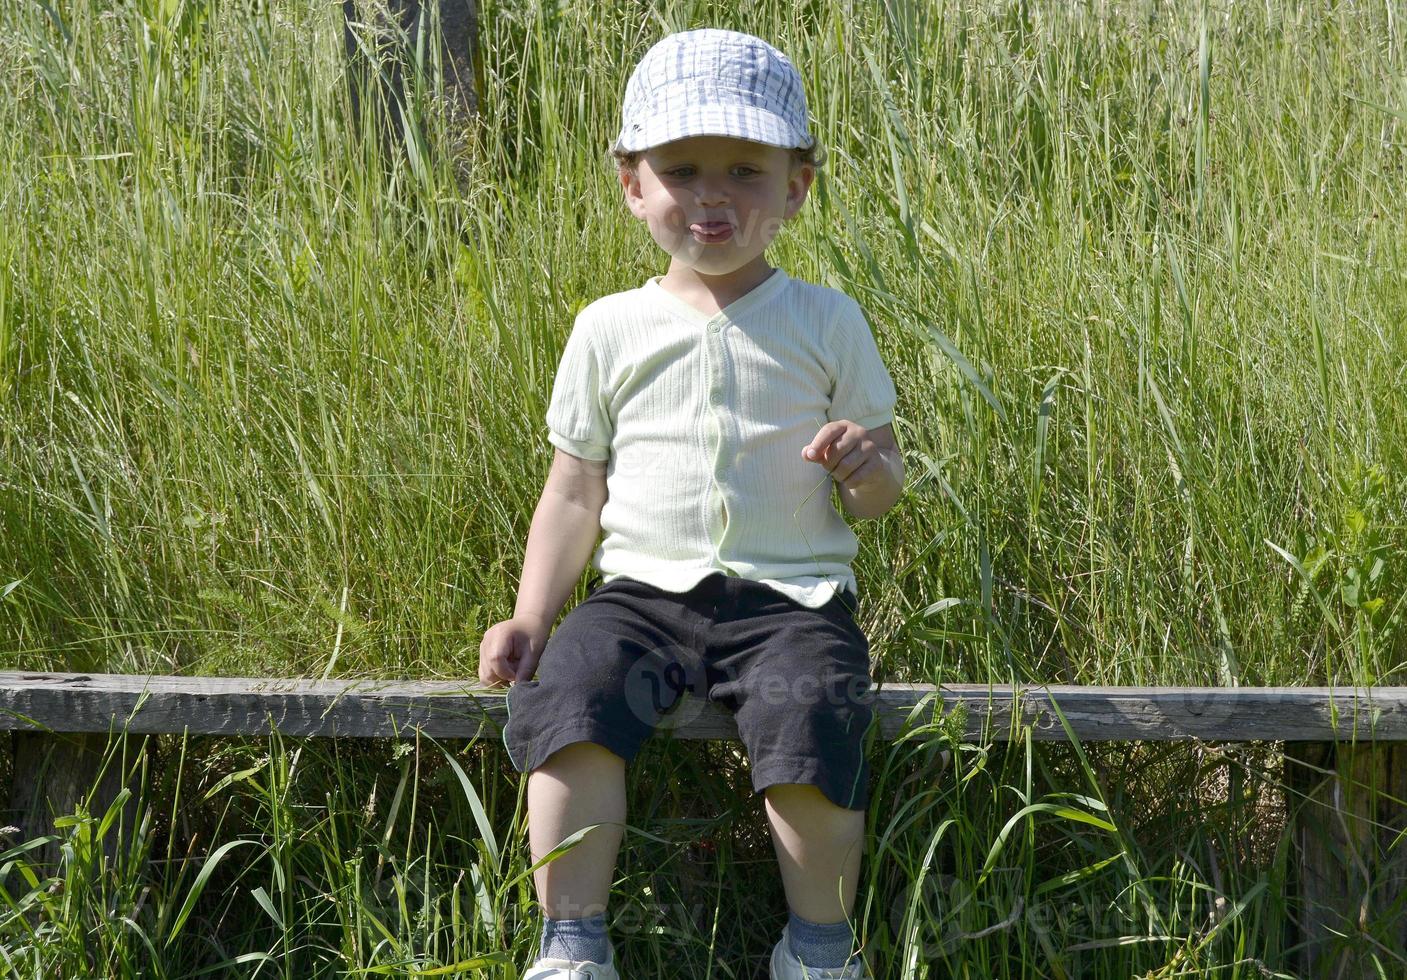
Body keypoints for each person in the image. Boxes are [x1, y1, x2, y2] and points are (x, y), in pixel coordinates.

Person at [478, 27, 903, 980]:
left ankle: (819, 949)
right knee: (571, 702)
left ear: (796, 187)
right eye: (682, 169)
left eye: (746, 171)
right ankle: (573, 941)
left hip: (789, 602)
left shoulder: (826, 321)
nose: (713, 194)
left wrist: (860, 468)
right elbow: (574, 487)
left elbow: (881, 488)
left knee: (814, 719)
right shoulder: (609, 328)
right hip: (640, 600)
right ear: (633, 184)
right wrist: (531, 614)